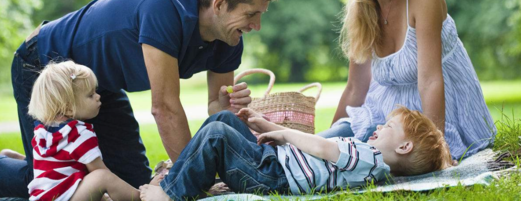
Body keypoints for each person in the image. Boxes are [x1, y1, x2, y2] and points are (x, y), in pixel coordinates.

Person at [1, 0, 280, 198]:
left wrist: (223, 109)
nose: (256, 26)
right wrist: (195, 183)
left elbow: (215, 107)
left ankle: (28, 156)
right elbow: (165, 108)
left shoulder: (229, 38)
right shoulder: (164, 8)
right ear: (219, 5)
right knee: (49, 185)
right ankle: (20, 164)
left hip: (98, 87)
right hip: (47, 67)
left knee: (131, 184)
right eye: (251, 14)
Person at [318, 0, 495, 161]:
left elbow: (430, 81)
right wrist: (327, 143)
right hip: (384, 118)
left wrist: (438, 149)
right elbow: (356, 88)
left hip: (431, 118)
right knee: (316, 149)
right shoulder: (360, 4)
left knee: (377, 164)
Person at [138, 108, 451, 201]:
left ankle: (169, 195)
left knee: (216, 134)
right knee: (224, 120)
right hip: (276, 165)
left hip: (273, 176)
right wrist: (266, 126)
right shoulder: (367, 158)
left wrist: (284, 133)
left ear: (404, 147)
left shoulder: (370, 159)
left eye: (389, 127)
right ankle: (181, 181)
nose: (380, 127)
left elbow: (320, 146)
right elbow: (313, 148)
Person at [1, 61, 164, 201]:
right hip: (63, 197)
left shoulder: (43, 130)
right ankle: (140, 196)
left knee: (10, 154)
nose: (98, 97)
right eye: (90, 94)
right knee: (102, 177)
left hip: (44, 196)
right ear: (68, 105)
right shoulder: (79, 133)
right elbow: (98, 170)